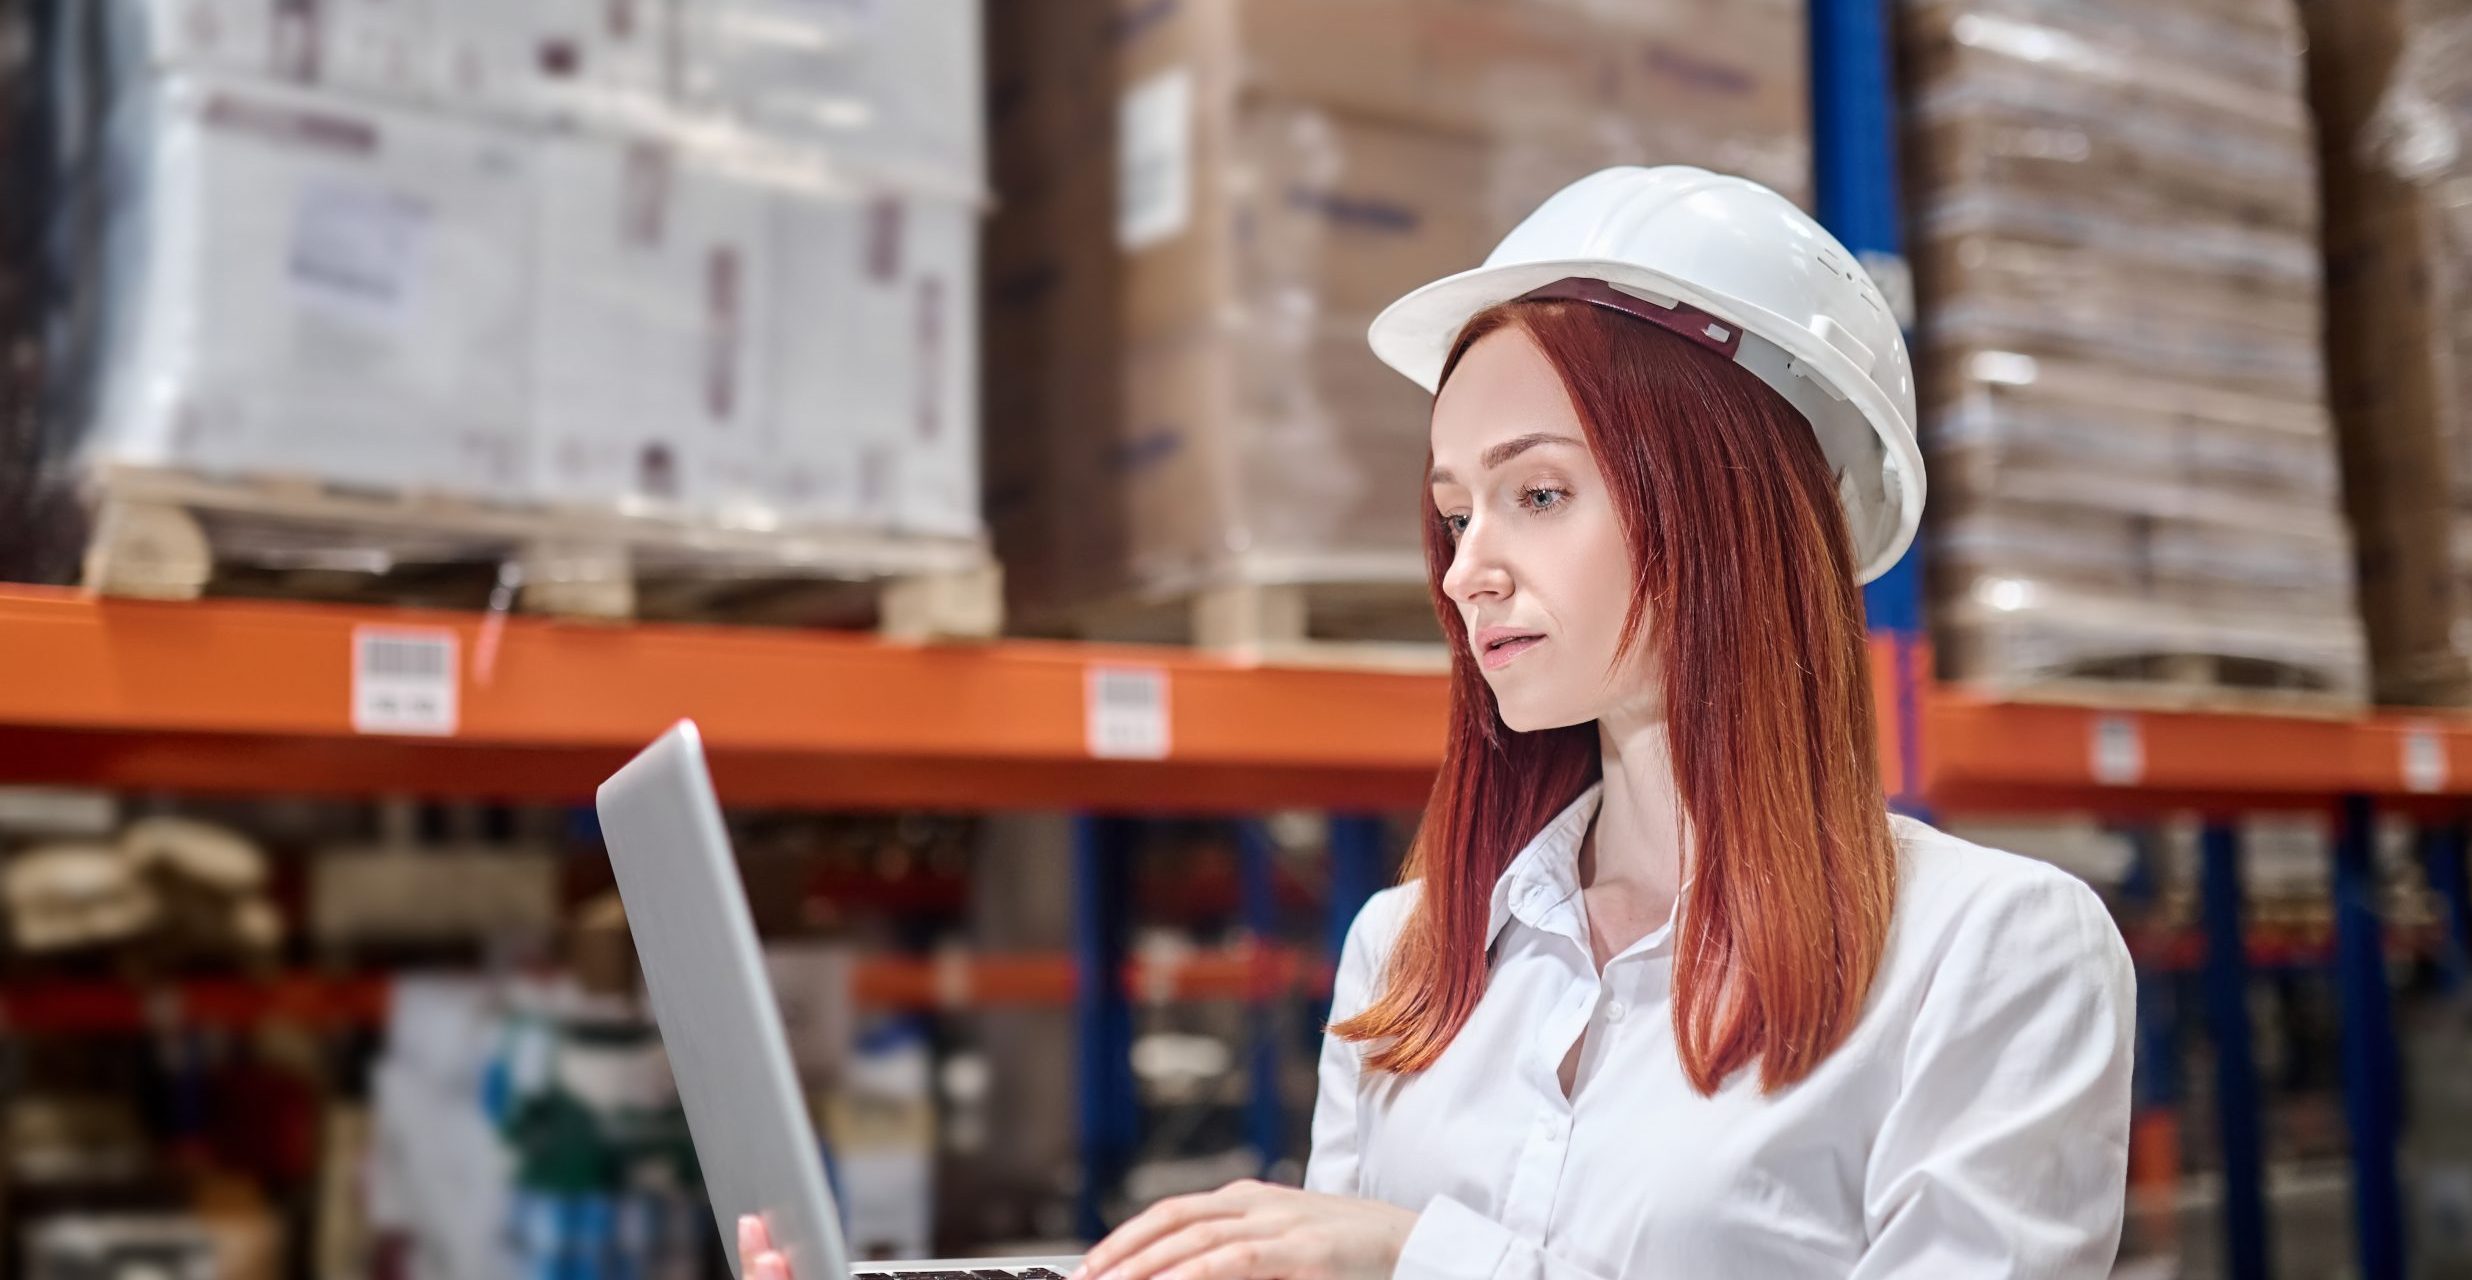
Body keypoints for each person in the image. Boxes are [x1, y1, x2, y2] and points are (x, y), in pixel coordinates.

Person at [743, 167, 2135, 1280]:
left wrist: (1423, 1260)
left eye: (1537, 495)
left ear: (1744, 510)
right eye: (1456, 510)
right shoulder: (1407, 959)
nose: (1467, 565)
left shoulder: (1992, 957)